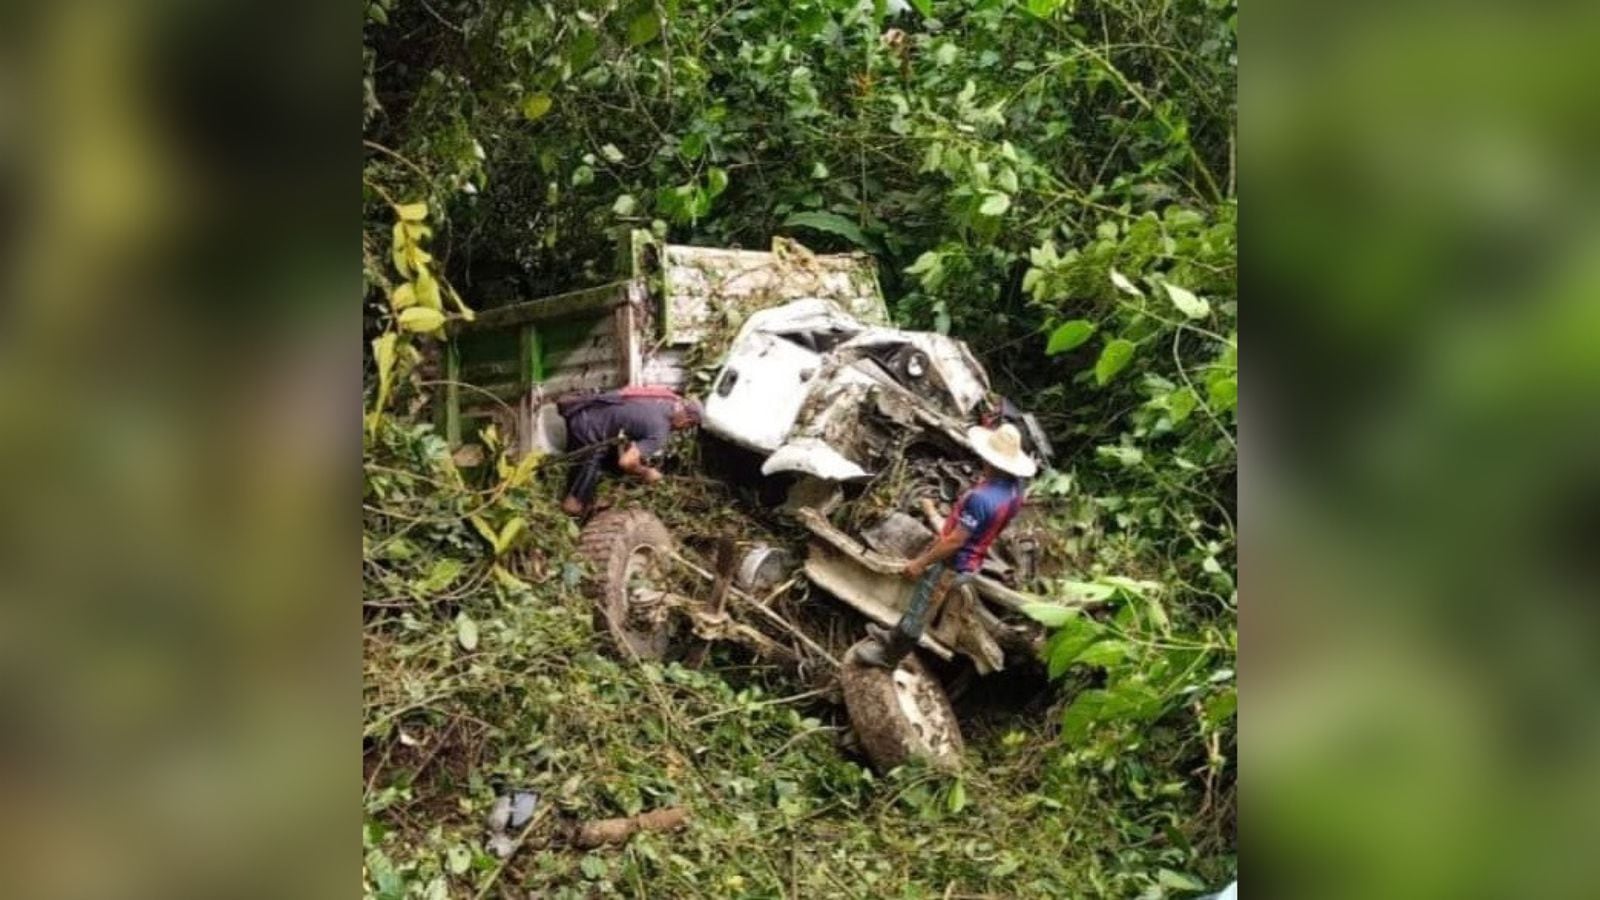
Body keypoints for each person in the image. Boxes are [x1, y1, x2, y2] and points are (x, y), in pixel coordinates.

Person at [854, 422, 1038, 669]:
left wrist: (920, 562)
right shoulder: (1014, 492)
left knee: (919, 609)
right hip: (974, 557)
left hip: (953, 561)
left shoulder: (982, 499)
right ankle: (891, 637)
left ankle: (889, 657)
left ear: (990, 459)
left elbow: (955, 541)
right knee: (919, 602)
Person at [557, 386, 702, 518]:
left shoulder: (667, 396)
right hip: (585, 425)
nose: (682, 429)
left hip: (584, 405)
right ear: (687, 420)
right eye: (687, 426)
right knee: (594, 458)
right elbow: (625, 462)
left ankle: (587, 497)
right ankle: (574, 505)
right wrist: (646, 472)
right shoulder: (659, 432)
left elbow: (630, 410)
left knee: (606, 455)